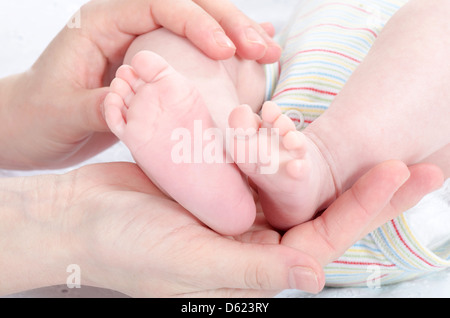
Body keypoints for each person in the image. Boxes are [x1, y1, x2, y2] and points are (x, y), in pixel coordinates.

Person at [1, 0, 441, 298]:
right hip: (269, 95)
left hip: (384, 164)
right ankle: (216, 162)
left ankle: (325, 163)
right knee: (169, 40)